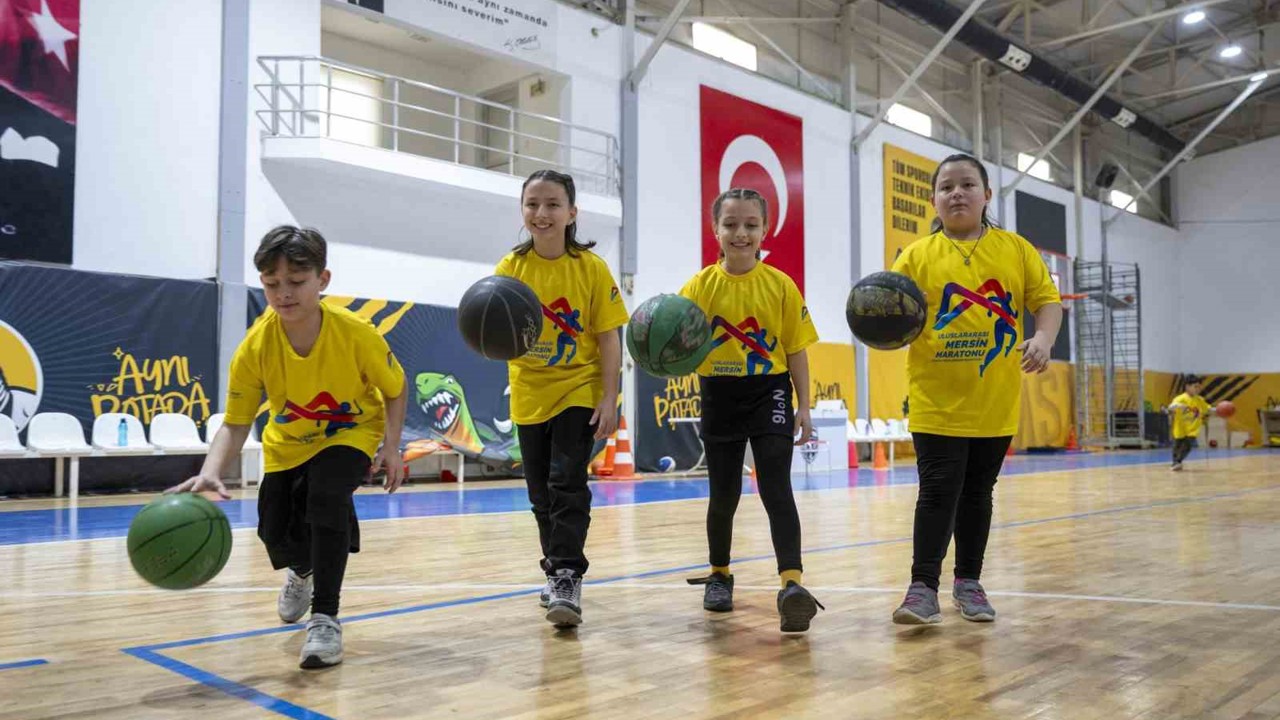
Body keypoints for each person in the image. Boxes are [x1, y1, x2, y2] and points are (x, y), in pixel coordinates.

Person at [167, 225, 408, 668]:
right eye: (272, 283)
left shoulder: (356, 333)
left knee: (326, 498)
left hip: (351, 432)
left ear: (323, 280)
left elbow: (395, 388)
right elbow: (236, 423)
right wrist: (210, 469)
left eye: (296, 282)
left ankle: (326, 619)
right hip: (287, 444)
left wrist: (392, 447)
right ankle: (302, 570)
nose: (284, 293)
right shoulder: (256, 345)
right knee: (273, 528)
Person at [889, 154, 1063, 625]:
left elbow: (1047, 304)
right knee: (937, 490)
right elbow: (893, 316)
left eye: (968, 184)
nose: (957, 193)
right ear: (934, 200)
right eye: (946, 187)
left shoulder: (1016, 249)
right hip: (935, 397)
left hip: (995, 398)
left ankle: (969, 583)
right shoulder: (915, 256)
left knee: (978, 493)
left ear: (987, 195)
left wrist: (1043, 339)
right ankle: (921, 589)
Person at [680, 187, 824, 633]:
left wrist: (805, 406)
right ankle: (720, 575)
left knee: (776, 488)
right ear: (715, 230)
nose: (740, 233)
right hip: (719, 392)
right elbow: (676, 339)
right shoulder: (700, 287)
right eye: (730, 224)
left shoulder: (780, 285)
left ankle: (792, 584)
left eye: (750, 225)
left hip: (770, 394)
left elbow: (796, 349)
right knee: (723, 495)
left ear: (764, 230)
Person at [495, 170, 628, 628]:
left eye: (553, 204)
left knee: (566, 482)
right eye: (532, 204)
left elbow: (609, 338)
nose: (542, 213)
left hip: (579, 389)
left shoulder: (591, 268)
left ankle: (569, 573)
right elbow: (497, 333)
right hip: (530, 393)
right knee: (539, 496)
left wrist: (610, 397)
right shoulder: (510, 269)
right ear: (523, 211)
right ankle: (555, 569)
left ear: (572, 213)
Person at [1168, 375, 1211, 471]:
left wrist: (1220, 410)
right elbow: (1171, 407)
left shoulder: (1200, 400)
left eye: (1199, 387)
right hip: (1180, 429)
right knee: (1176, 448)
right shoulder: (1180, 398)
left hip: (1192, 429)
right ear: (1187, 386)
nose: (1198, 389)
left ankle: (1177, 462)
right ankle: (1176, 462)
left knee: (1187, 446)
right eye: (1195, 386)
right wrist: (1178, 405)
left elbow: (1207, 409)